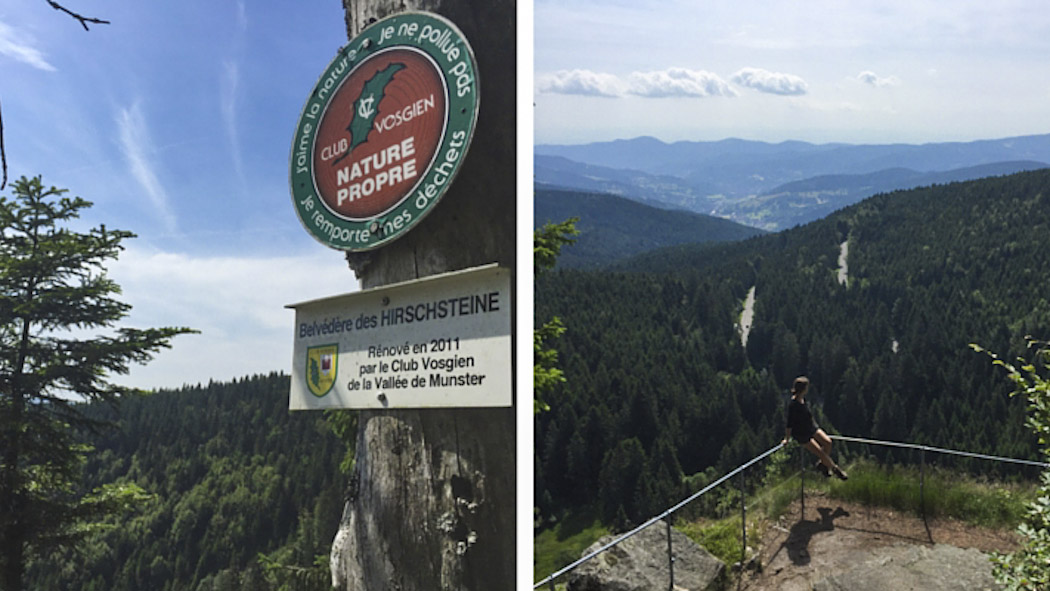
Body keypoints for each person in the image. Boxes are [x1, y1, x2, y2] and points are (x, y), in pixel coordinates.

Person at [781, 376, 848, 480]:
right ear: (803, 389)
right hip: (802, 433)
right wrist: (787, 438)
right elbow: (789, 424)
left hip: (811, 427)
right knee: (820, 453)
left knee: (828, 442)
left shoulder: (802, 399)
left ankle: (822, 464)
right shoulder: (793, 405)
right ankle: (836, 470)